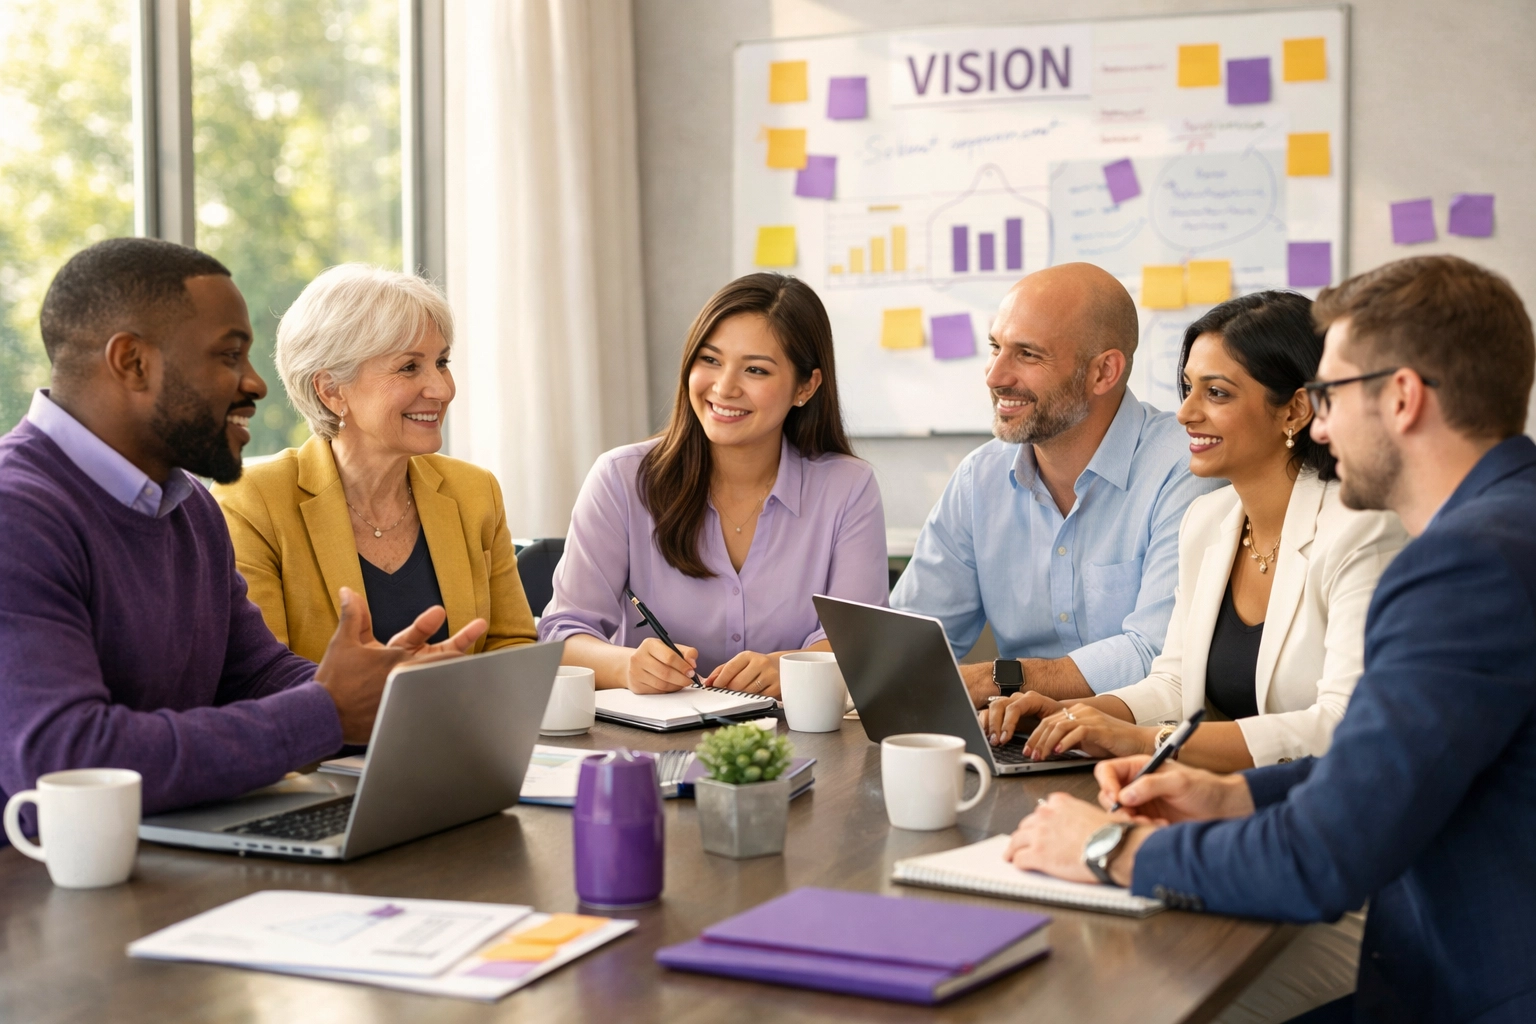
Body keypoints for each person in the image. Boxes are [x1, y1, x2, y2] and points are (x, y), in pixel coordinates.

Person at [1006, 256, 1536, 1024]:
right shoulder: (1508, 525)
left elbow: (1325, 853)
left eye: (1331, 395)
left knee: (1107, 997)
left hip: (1471, 988)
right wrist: (1232, 794)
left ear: (1402, 397)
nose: (1320, 424)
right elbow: (1386, 765)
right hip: (1447, 946)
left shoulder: (1465, 567)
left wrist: (1108, 850)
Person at [0, 239, 485, 833]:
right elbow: (65, 761)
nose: (255, 383)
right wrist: (328, 710)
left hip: (170, 852)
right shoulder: (16, 513)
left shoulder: (190, 507)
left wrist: (388, 691)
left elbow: (255, 675)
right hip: (38, 876)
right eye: (230, 356)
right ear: (133, 363)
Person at [983, 292, 1408, 771]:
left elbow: (1343, 720)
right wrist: (1066, 714)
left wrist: (1147, 741)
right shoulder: (1207, 520)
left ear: (1295, 411)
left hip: (1326, 799)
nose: (1185, 413)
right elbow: (1175, 684)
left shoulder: (1363, 531)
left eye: (1217, 393)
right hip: (1222, 792)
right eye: (1187, 388)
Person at [539, 273, 887, 697]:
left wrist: (790, 668)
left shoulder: (848, 488)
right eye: (710, 360)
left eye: (755, 369)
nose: (724, 388)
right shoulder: (620, 479)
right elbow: (563, 634)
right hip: (649, 733)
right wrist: (627, 666)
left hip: (791, 731)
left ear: (806, 386)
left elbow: (860, 642)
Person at [891, 262, 1224, 707]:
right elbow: (912, 640)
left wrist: (1002, 678)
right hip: (1016, 734)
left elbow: (1158, 655)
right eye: (995, 347)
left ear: (1103, 372)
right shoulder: (979, 479)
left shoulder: (1186, 469)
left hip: (1139, 736)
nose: (995, 376)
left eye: (1028, 354)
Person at [213, 264, 536, 664]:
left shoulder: (474, 490)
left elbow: (513, 646)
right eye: (409, 367)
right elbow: (259, 673)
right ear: (331, 390)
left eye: (442, 362)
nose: (442, 389)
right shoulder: (252, 500)